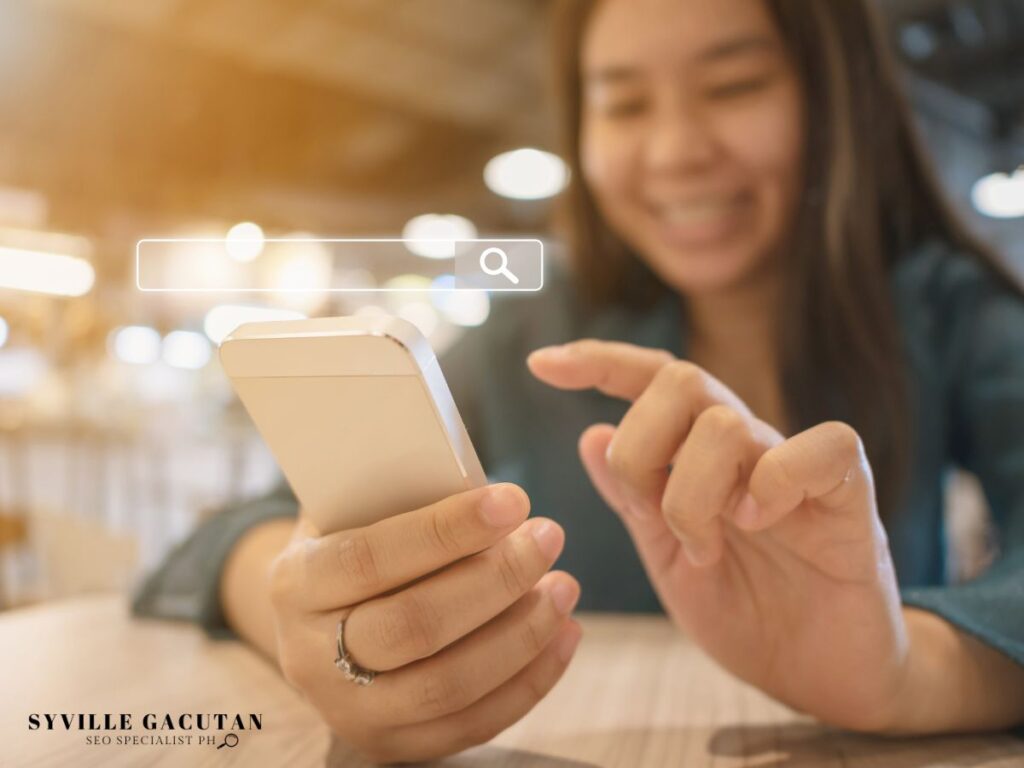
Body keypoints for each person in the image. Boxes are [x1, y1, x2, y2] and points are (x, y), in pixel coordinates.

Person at [132, 0, 1024, 762]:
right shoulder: (537, 323)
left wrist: (908, 671)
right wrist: (314, 620)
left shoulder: (944, 304)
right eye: (623, 102)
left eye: (735, 85)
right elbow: (222, 543)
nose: (674, 150)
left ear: (837, 98)